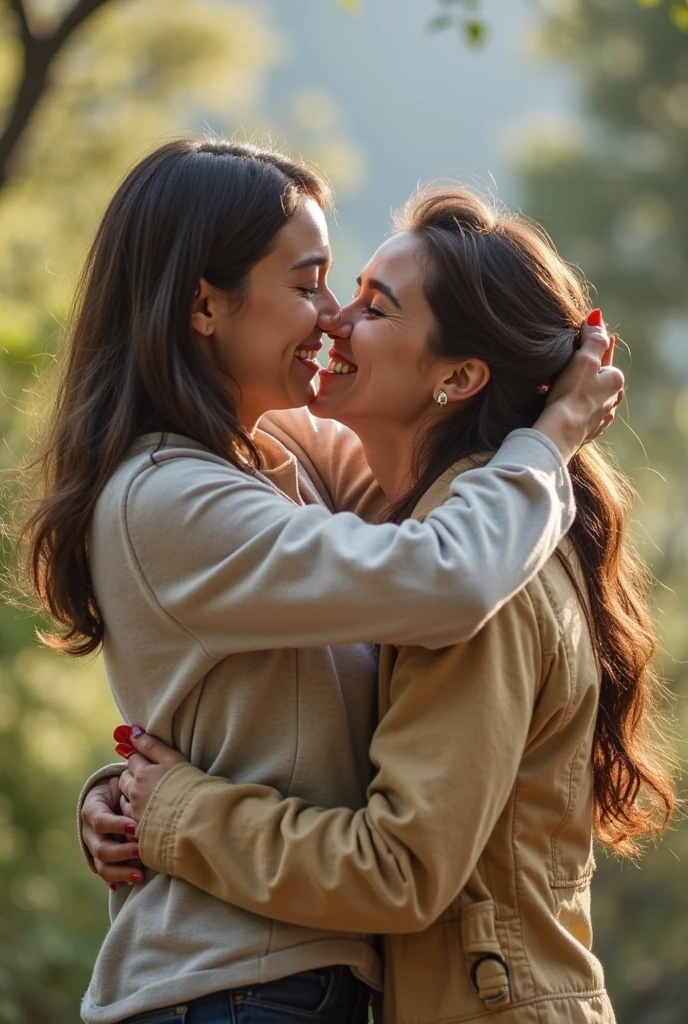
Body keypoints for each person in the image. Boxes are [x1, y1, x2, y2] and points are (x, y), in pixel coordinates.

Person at [24, 137, 621, 1024]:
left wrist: (542, 423)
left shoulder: (282, 463)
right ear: (203, 304)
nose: (332, 316)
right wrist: (551, 434)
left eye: (361, 299)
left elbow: (429, 498)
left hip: (292, 980)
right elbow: (443, 563)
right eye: (309, 285)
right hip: (230, 985)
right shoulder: (174, 499)